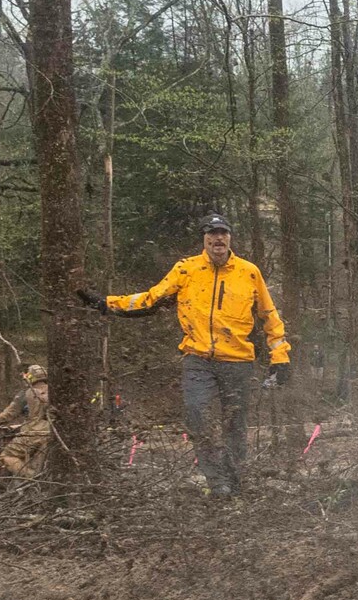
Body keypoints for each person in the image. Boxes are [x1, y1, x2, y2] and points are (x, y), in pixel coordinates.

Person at [78, 212, 290, 496]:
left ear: (229, 238)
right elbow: (151, 298)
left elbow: (269, 315)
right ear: (204, 239)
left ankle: (235, 482)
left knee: (235, 425)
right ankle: (217, 483)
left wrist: (280, 357)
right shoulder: (186, 269)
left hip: (238, 361)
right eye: (212, 233)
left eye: (223, 233)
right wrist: (106, 303)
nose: (218, 238)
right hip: (197, 358)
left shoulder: (248, 271)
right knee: (196, 416)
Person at [0, 363, 52, 479]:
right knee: (38, 464)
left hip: (32, 434)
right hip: (53, 434)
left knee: (6, 456)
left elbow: (9, 413)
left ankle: (32, 479)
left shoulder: (27, 393)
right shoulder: (56, 391)